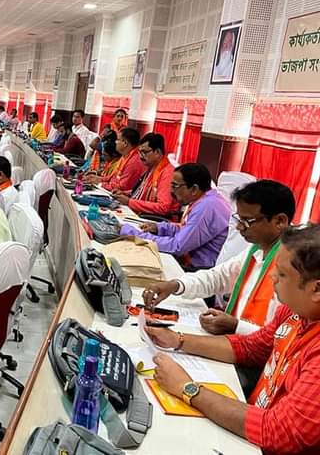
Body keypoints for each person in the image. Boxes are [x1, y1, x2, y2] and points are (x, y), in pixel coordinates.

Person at [144, 224, 320, 455]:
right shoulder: (294, 312)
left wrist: (187, 388)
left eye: (282, 274)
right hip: (252, 426)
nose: (273, 277)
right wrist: (177, 340)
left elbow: (279, 432)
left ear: (316, 289)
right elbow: (252, 347)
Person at [143, 180, 295, 335]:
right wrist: (176, 285)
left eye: (247, 221)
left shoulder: (294, 266)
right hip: (236, 340)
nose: (239, 227)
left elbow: (282, 335)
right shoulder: (257, 249)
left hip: (254, 345)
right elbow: (218, 277)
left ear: (279, 221)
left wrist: (236, 326)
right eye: (239, 220)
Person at [121, 163, 231, 271]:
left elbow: (177, 246)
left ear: (194, 189)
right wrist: (160, 228)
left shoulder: (207, 207)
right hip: (187, 259)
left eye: (175, 186)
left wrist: (137, 235)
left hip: (194, 269)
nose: (171, 191)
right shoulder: (206, 200)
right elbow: (186, 229)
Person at [114, 132, 179, 218]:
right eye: (140, 152)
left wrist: (130, 202)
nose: (141, 156)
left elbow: (163, 207)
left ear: (157, 152)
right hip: (143, 215)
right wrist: (126, 193)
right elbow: (143, 190)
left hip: (156, 220)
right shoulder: (152, 167)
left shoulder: (167, 173)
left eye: (144, 152)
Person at [86, 127, 145, 194]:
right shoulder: (125, 156)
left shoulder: (134, 162)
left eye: (117, 140)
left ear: (125, 143)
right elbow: (113, 177)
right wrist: (97, 178)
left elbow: (122, 187)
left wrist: (100, 184)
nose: (115, 142)